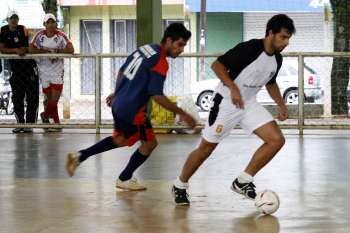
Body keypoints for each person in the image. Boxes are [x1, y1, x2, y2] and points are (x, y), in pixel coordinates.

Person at [172, 14, 296, 205]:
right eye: (283, 37)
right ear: (271, 33)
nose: (286, 42)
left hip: (249, 103)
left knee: (276, 140)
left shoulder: (276, 60)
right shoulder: (249, 48)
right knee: (206, 148)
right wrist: (233, 87)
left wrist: (281, 104)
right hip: (226, 102)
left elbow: (271, 83)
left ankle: (243, 181)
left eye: (288, 38)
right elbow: (217, 65)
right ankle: (180, 185)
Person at [66, 23, 196, 190]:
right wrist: (182, 113)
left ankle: (80, 156)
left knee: (121, 139)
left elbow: (122, 70)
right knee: (149, 144)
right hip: (134, 111)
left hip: (120, 104)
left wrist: (116, 92)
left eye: (184, 46)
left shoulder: (146, 49)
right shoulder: (161, 62)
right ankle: (123, 177)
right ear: (169, 40)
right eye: (180, 45)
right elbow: (157, 95)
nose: (181, 50)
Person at [29, 13, 74, 132]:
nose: (50, 24)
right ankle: (56, 123)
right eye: (48, 22)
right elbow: (31, 48)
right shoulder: (39, 35)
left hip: (57, 72)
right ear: (44, 24)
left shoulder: (61, 35)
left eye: (52, 22)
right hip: (43, 72)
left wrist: (57, 52)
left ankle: (45, 115)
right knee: (50, 101)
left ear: (56, 24)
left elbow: (71, 49)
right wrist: (46, 52)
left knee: (54, 100)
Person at [0, 9, 39, 133]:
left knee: (32, 96)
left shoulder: (23, 29)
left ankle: (30, 124)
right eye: (12, 18)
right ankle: (20, 123)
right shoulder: (3, 30)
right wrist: (15, 51)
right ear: (8, 20)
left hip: (29, 67)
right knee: (17, 97)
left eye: (16, 18)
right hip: (15, 69)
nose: (14, 20)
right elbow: (2, 49)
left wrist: (19, 50)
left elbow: (24, 48)